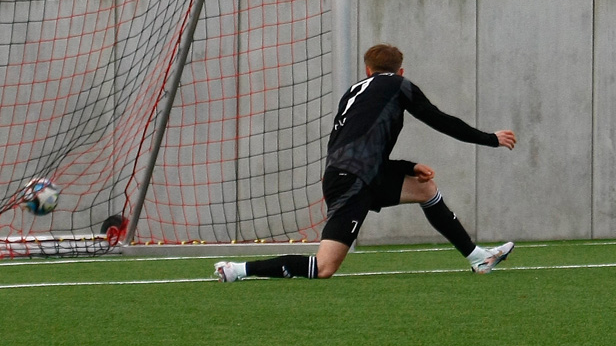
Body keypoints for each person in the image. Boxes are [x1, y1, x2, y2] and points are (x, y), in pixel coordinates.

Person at [215, 43, 517, 283]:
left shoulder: (354, 93)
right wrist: (490, 138)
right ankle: (238, 270)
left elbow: (359, 148)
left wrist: (407, 167)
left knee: (425, 189)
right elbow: (437, 119)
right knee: (324, 268)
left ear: (367, 69)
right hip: (353, 180)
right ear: (400, 71)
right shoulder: (398, 86)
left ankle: (477, 257)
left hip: (353, 174)